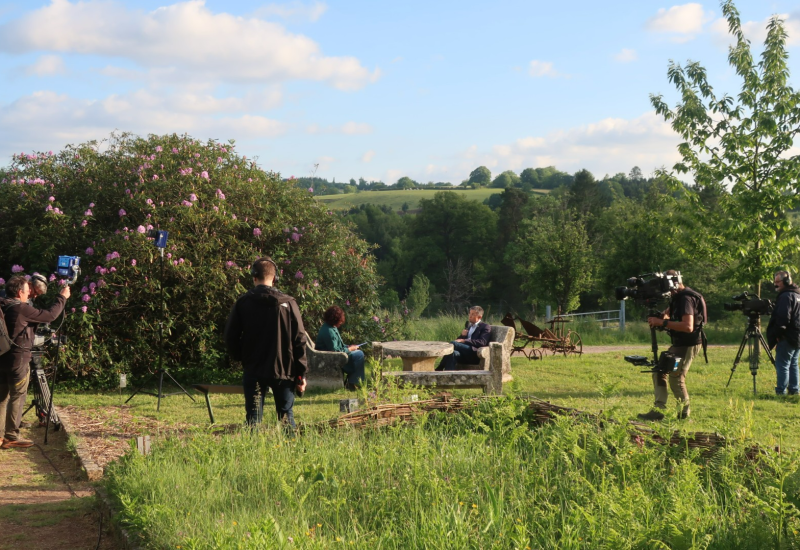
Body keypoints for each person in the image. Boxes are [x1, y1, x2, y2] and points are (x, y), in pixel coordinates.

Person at [224, 257, 308, 428]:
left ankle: (253, 445)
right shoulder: (289, 303)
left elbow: (230, 336)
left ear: (254, 277)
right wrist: (301, 373)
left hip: (253, 368)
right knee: (286, 416)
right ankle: (290, 444)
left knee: (253, 418)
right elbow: (300, 339)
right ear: (275, 278)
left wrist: (241, 357)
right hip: (284, 369)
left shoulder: (243, 303)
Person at [0, 275, 69, 449]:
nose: (29, 294)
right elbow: (50, 315)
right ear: (19, 292)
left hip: (2, 358)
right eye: (27, 291)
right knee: (17, 396)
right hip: (18, 359)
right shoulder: (21, 308)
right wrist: (62, 297)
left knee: (1, 398)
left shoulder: (3, 305)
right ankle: (11, 436)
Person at [641, 270, 706, 421]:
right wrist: (663, 315)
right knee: (659, 371)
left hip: (688, 344)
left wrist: (662, 322)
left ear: (674, 283)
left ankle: (684, 414)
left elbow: (688, 326)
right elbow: (670, 312)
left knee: (676, 378)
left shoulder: (686, 299)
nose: (667, 292)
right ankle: (658, 410)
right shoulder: (678, 297)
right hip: (679, 343)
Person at [315, 306, 365, 390]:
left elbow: (338, 345)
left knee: (358, 353)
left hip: (332, 354)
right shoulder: (329, 331)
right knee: (359, 355)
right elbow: (336, 351)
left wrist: (348, 346)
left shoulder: (331, 327)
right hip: (329, 358)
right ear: (335, 319)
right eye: (340, 320)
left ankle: (351, 381)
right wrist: (350, 349)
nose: (341, 323)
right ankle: (351, 383)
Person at [767, 270, 800, 395]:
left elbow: (783, 317)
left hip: (787, 336)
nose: (775, 284)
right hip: (797, 335)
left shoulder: (786, 296)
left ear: (786, 281)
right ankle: (794, 390)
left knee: (783, 364)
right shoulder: (797, 295)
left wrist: (778, 334)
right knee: (793, 364)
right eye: (774, 282)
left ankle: (781, 392)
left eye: (778, 282)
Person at [436, 306, 490, 371]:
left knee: (453, 343)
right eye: (469, 313)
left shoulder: (485, 327)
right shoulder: (469, 326)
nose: (470, 316)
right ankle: (448, 375)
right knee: (453, 353)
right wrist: (462, 335)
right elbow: (459, 340)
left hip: (474, 354)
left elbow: (482, 342)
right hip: (464, 354)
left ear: (479, 317)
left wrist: (464, 340)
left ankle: (439, 368)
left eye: (473, 314)